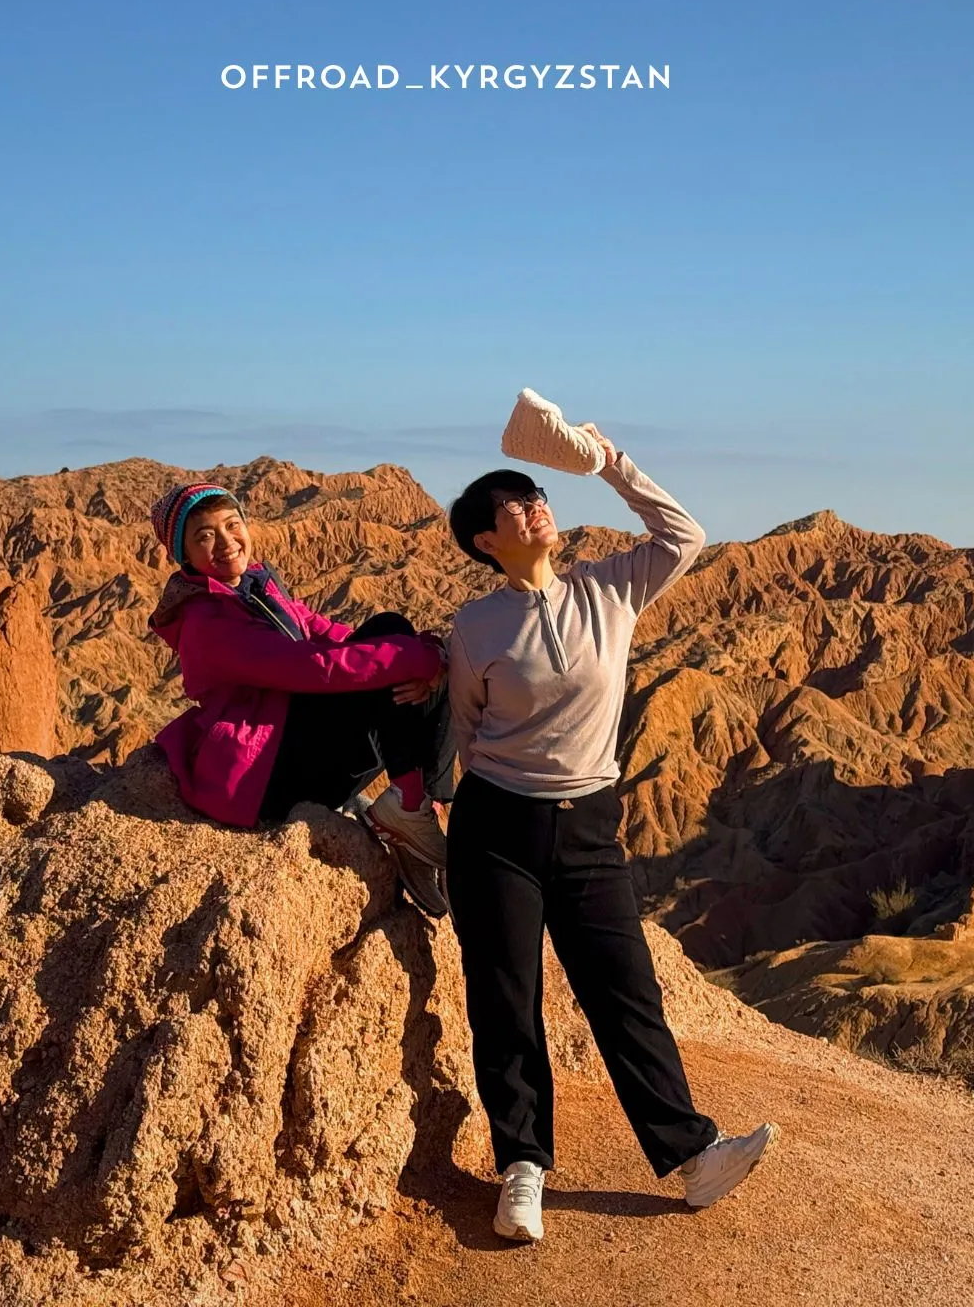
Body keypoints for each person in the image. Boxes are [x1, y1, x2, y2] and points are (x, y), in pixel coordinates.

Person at [446, 430, 776, 1242]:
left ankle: (693, 1158)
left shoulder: (610, 589)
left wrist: (611, 464)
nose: (537, 506)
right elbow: (466, 728)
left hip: (590, 827)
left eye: (537, 494)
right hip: (497, 827)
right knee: (506, 999)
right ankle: (522, 1169)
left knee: (626, 993)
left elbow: (684, 536)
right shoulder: (475, 625)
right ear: (487, 539)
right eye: (515, 503)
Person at [147, 480, 453, 912]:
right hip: (267, 780)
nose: (225, 542)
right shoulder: (208, 621)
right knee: (403, 648)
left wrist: (422, 657)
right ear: (185, 558)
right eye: (204, 536)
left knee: (421, 652)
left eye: (232, 525)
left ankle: (421, 810)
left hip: (293, 749)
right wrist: (412, 659)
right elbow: (312, 667)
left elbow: (326, 633)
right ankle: (408, 812)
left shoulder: (253, 589)